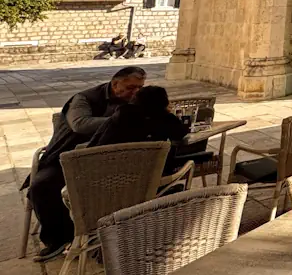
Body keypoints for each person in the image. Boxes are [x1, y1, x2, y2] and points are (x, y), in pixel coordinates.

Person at [27, 66, 146, 261]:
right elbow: (80, 124)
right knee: (42, 186)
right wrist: (120, 121)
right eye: (131, 87)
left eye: (140, 87)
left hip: (109, 159)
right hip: (67, 156)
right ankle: (58, 240)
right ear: (115, 84)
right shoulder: (83, 99)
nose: (136, 92)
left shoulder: (136, 100)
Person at [88, 85, 191, 170]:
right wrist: (168, 113)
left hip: (101, 168)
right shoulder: (162, 119)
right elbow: (181, 132)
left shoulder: (122, 113)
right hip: (143, 176)